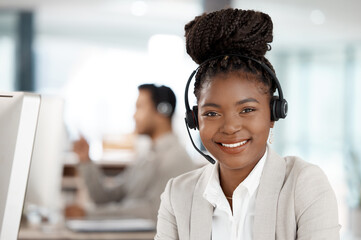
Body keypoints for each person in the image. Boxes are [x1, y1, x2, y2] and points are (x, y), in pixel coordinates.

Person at [155, 8, 340, 240]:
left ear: (274, 113)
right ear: (194, 120)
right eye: (212, 113)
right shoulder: (178, 194)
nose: (230, 127)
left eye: (247, 110)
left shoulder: (304, 186)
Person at [73, 84, 197, 221]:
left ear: (163, 110)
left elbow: (153, 212)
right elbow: (107, 197)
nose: (134, 116)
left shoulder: (175, 159)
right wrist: (86, 161)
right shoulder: (146, 157)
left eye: (140, 107)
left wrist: (89, 214)